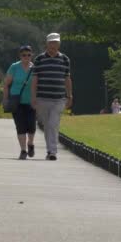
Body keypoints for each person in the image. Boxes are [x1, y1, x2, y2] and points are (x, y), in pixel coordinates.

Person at [31, 33, 73, 161]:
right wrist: (33, 97)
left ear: (59, 44)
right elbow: (35, 79)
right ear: (47, 44)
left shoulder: (65, 59)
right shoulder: (39, 59)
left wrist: (70, 95)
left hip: (59, 98)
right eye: (51, 42)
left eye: (56, 43)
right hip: (42, 98)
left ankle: (52, 151)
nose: (54, 45)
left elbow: (67, 78)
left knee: (53, 124)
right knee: (47, 125)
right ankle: (50, 149)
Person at [3, 45, 36, 160]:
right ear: (20, 56)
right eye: (23, 55)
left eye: (28, 54)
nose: (26, 57)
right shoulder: (14, 67)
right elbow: (6, 84)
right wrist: (6, 99)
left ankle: (30, 143)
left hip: (31, 101)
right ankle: (23, 150)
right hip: (16, 101)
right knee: (20, 126)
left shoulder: (35, 68)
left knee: (31, 126)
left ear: (32, 55)